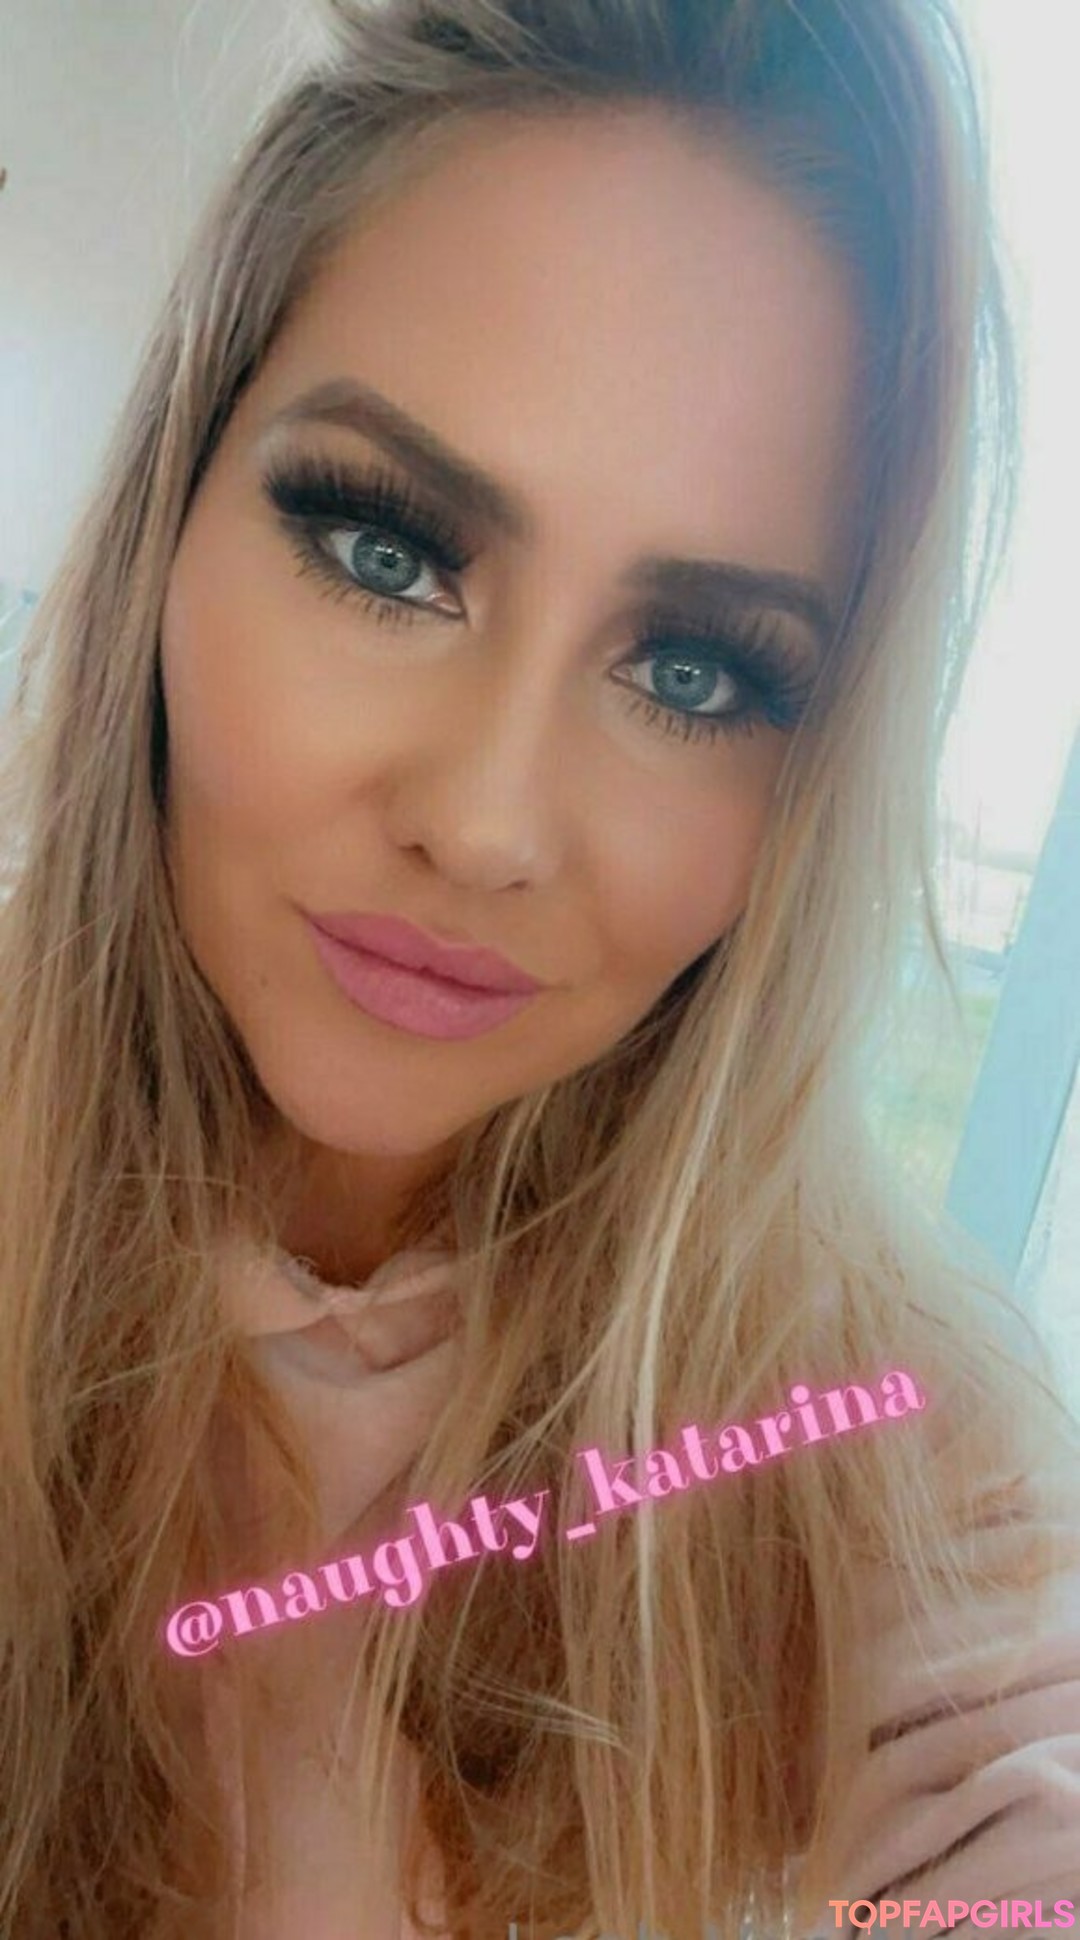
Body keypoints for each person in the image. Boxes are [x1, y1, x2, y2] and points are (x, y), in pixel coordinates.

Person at [1, 0, 1078, 1933]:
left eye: (695, 671)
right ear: (175, 508)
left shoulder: (893, 1471)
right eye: (387, 552)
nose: (489, 824)